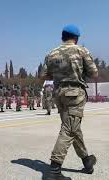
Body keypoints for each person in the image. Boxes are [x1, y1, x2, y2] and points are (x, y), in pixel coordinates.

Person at [41, 24, 98, 180]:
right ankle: (54, 170)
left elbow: (44, 75)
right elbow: (94, 73)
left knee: (72, 127)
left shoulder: (51, 53)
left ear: (62, 36)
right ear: (76, 38)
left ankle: (87, 161)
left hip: (59, 94)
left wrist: (60, 75)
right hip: (75, 94)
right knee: (69, 129)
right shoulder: (81, 50)